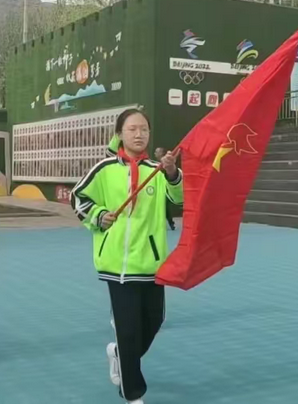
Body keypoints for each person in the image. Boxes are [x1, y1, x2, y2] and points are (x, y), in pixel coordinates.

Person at [71, 108, 183, 404]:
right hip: (117, 266)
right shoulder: (105, 169)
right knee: (128, 327)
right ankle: (133, 392)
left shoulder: (156, 171)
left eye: (144, 129)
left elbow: (179, 198)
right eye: (132, 129)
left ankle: (121, 354)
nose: (138, 134)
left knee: (154, 321)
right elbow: (78, 196)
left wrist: (172, 173)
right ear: (119, 133)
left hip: (152, 263)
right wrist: (98, 215)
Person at [155, 147, 176, 230]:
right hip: (156, 187)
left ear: (161, 153)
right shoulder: (152, 163)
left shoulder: (167, 162)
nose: (155, 154)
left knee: (166, 207)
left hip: (165, 187)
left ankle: (171, 223)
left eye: (157, 152)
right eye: (155, 152)